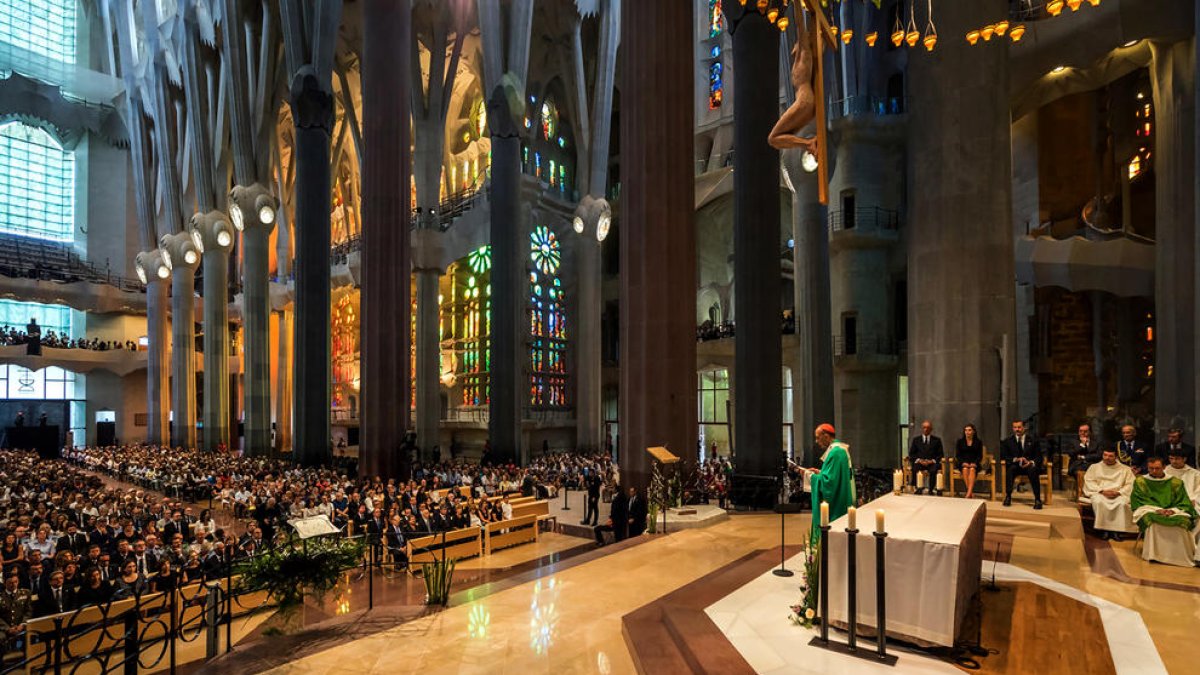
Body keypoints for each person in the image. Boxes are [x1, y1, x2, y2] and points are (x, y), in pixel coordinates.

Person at [1131, 457, 1197, 567]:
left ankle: (1179, 556)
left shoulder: (1176, 482)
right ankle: (1154, 555)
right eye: (1151, 468)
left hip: (1174, 511)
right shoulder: (1140, 481)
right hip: (1150, 510)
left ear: (1164, 467)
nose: (1154, 471)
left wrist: (1172, 510)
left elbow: (1183, 501)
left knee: (1183, 522)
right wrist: (1157, 510)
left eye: (1157, 468)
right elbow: (1139, 501)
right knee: (1152, 521)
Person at [805, 424, 855, 545]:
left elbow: (829, 483)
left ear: (826, 436)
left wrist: (810, 476)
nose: (816, 441)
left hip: (836, 503)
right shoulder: (840, 450)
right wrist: (820, 472)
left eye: (818, 437)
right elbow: (836, 475)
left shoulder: (835, 452)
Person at [1082, 449, 1137, 541]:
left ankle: (1116, 531)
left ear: (1116, 457)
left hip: (1119, 494)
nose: (1107, 458)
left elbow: (1130, 484)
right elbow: (1089, 481)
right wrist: (1101, 491)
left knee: (1122, 503)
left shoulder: (1125, 469)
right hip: (1100, 493)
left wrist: (1119, 492)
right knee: (1099, 502)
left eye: (1110, 456)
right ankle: (1104, 530)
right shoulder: (1094, 467)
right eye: (1105, 455)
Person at [1000, 420, 1043, 510]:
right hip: (1015, 465)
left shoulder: (1033, 440)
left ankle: (1037, 499)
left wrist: (1030, 462)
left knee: (1033, 470)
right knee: (1010, 469)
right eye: (1015, 427)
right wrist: (1016, 459)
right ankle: (1008, 496)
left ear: (1024, 428)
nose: (1017, 429)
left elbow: (1039, 457)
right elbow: (1004, 457)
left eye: (1019, 427)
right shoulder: (1007, 441)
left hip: (1028, 465)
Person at [908, 420, 944, 494]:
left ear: (931, 429)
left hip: (931, 463)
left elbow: (940, 454)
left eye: (928, 428)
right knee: (915, 468)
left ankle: (931, 489)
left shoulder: (937, 440)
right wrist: (919, 460)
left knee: (934, 470)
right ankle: (918, 488)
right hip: (920, 462)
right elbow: (912, 454)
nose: (926, 429)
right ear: (922, 428)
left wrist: (932, 461)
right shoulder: (916, 440)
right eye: (924, 427)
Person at [0, 571, 32, 650]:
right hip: (4, 628)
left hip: (21, 626)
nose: (14, 584)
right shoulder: (1, 596)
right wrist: (7, 629)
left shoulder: (26, 593)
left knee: (31, 635)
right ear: (4, 582)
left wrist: (22, 624)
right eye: (10, 582)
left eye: (16, 582)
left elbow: (28, 611)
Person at [956, 423, 984, 499]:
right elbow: (958, 455)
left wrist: (975, 463)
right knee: (965, 469)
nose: (967, 432)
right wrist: (963, 463)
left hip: (974, 464)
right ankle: (970, 493)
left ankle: (968, 494)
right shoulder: (960, 442)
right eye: (966, 430)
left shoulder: (978, 442)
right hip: (963, 463)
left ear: (973, 431)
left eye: (969, 430)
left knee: (972, 469)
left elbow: (980, 456)